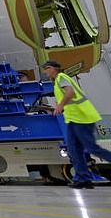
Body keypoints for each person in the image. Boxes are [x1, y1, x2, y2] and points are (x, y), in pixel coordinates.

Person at [44, 60, 111, 189]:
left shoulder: (61, 78)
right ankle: (83, 179)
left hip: (82, 118)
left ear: (52, 68)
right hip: (73, 119)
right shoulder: (57, 81)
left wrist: (60, 106)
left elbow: (70, 92)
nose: (45, 72)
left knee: (92, 148)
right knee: (74, 150)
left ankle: (83, 178)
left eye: (46, 69)